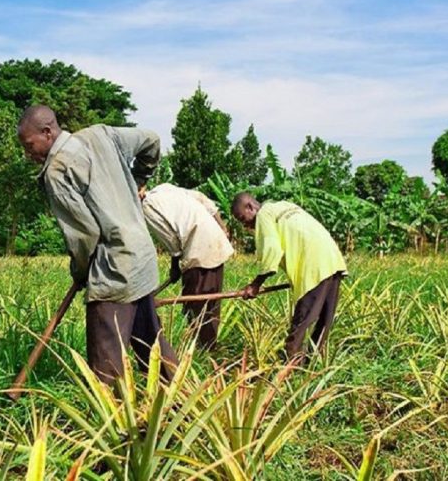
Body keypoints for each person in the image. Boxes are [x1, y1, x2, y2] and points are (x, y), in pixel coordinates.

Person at [17, 105, 178, 385]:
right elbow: (151, 140)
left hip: (114, 269)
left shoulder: (57, 171)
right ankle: (183, 403)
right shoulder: (102, 135)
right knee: (149, 339)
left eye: (29, 146)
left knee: (107, 361)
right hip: (142, 258)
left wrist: (80, 273)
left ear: (47, 132)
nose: (28, 154)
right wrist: (139, 179)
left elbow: (84, 235)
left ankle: (111, 420)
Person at [231, 192, 347, 362]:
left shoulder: (263, 214)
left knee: (298, 330)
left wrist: (255, 285)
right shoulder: (284, 205)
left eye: (243, 218)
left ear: (250, 207)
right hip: (333, 261)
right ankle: (314, 367)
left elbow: (272, 250)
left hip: (313, 267)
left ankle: (291, 373)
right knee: (323, 323)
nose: (244, 225)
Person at [140, 183, 234, 350]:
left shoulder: (147, 206)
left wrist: (175, 266)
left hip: (199, 247)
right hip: (215, 238)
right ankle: (205, 347)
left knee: (198, 304)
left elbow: (171, 240)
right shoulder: (165, 188)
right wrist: (222, 227)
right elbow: (203, 200)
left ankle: (204, 350)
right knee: (210, 300)